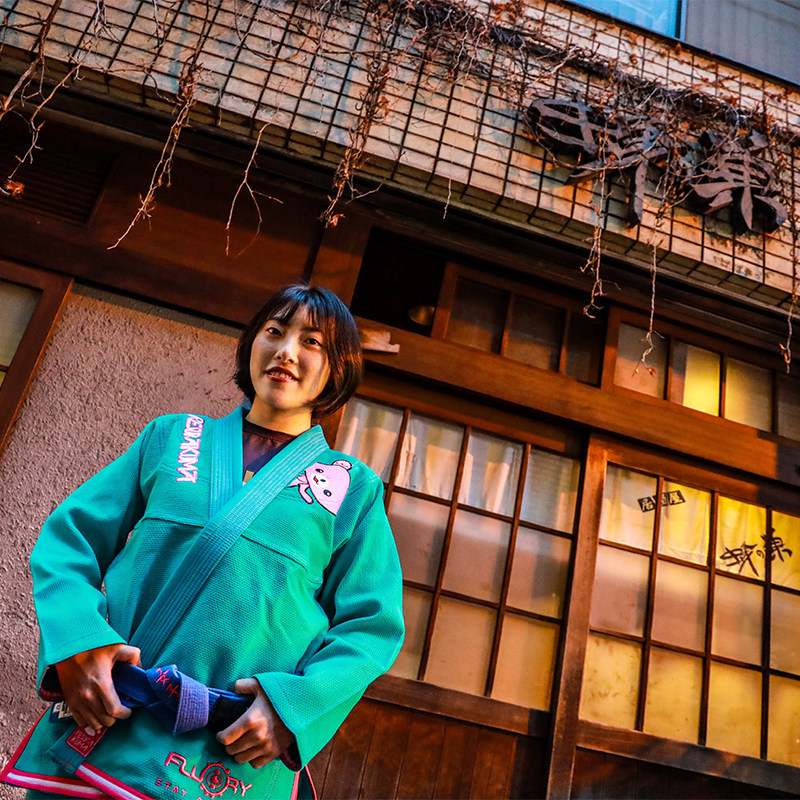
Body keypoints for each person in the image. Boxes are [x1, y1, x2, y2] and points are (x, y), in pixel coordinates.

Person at [2, 284, 405, 800]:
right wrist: (78, 644)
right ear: (252, 344)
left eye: (312, 342)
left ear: (337, 369)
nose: (286, 351)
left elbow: (371, 627)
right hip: (111, 717)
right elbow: (69, 541)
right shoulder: (171, 437)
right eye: (274, 332)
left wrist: (291, 710)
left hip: (225, 754)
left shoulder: (352, 489)